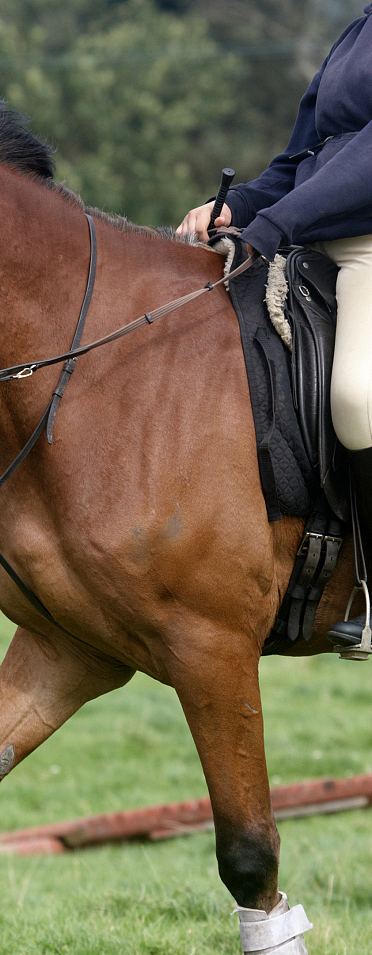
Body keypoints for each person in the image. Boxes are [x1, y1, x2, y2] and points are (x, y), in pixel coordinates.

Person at [177, 4, 372, 649]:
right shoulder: (356, 32)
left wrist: (275, 224)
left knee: (356, 399)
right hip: (311, 242)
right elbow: (301, 160)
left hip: (367, 249)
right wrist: (238, 205)